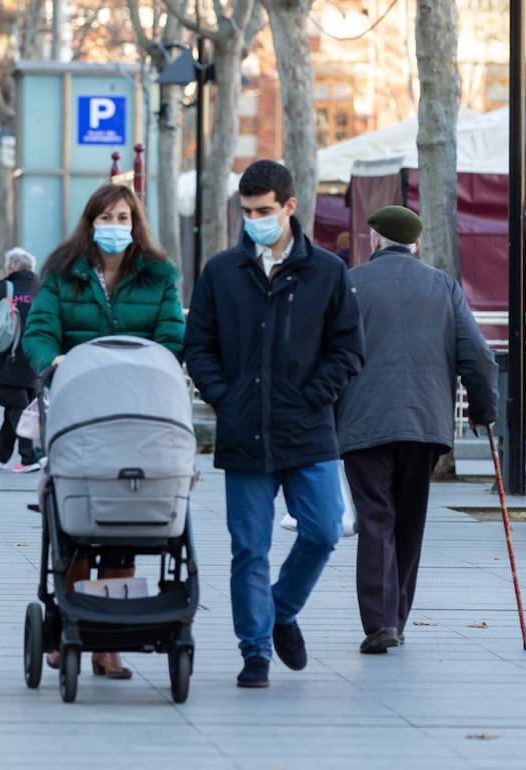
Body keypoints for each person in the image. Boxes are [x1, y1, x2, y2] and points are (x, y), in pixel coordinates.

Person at [183, 160, 364, 688]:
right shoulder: (221, 272)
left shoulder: (327, 271)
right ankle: (255, 651)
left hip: (309, 430)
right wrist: (225, 398)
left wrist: (315, 396)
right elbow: (199, 346)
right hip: (244, 432)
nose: (255, 220)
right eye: (247, 212)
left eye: (264, 211)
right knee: (249, 548)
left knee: (325, 529)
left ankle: (281, 610)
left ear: (289, 206)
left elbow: (348, 349)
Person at [22, 182, 185, 679]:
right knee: (74, 527)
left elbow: (171, 334)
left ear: (136, 224)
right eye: (106, 218)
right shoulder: (62, 272)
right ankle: (72, 622)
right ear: (90, 221)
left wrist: (158, 365)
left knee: (125, 524)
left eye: (123, 218)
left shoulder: (158, 275)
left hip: (138, 408)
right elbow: (40, 330)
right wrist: (54, 361)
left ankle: (108, 642)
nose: (115, 228)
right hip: (80, 409)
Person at [336, 205, 497, 654]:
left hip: (363, 422)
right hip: (425, 423)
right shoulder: (442, 285)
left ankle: (379, 620)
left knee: (375, 519)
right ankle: (397, 616)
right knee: (409, 520)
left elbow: (325, 354)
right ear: (416, 244)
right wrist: (484, 410)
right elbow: (478, 356)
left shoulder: (348, 285)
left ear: (374, 240)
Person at [0, 248, 41, 473]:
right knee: (16, 408)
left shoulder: (4, 288)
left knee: (17, 409)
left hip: (7, 360)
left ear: (11, 267)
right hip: (35, 360)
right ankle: (1, 454)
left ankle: (29, 457)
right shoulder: (42, 289)